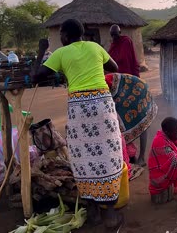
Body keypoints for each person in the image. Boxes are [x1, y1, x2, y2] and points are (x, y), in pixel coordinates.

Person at [32, 19, 123, 229]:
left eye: (61, 34)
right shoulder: (95, 47)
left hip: (79, 108)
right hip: (103, 105)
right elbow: (114, 67)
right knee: (108, 153)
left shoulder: (60, 54)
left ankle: (92, 209)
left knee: (83, 155)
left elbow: (36, 77)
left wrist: (41, 50)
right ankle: (109, 212)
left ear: (65, 35)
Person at [105, 73, 157, 167]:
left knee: (141, 122)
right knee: (123, 125)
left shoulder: (100, 86)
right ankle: (131, 156)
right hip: (124, 93)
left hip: (137, 92)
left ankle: (141, 157)